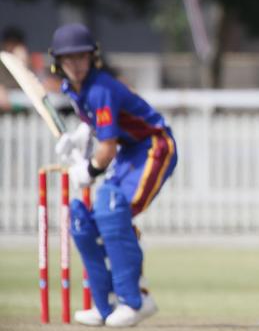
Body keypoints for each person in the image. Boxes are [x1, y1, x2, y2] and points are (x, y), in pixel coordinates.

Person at [50, 23, 177, 327]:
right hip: (130, 151)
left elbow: (106, 150)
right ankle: (106, 302)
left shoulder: (100, 89)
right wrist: (81, 135)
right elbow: (96, 124)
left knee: (112, 212)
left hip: (153, 146)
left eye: (81, 58)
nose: (76, 65)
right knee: (88, 220)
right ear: (58, 62)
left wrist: (89, 169)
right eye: (69, 59)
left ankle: (135, 300)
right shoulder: (74, 89)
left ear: (92, 58)